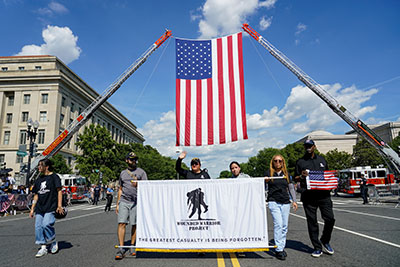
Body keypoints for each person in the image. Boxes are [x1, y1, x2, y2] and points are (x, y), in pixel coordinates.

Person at [295, 139, 335, 258]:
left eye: (310, 146)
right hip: (308, 196)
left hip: (324, 195)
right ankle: (317, 247)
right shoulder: (300, 162)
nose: (308, 148)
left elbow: (327, 174)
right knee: (312, 222)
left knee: (330, 219)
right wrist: (301, 176)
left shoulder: (322, 160)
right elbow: (295, 178)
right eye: (306, 146)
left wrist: (333, 177)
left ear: (314, 147)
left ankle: (325, 240)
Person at [115, 152, 147, 260]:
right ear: (127, 160)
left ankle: (132, 245)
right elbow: (120, 189)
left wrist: (138, 184)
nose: (134, 161)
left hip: (136, 202)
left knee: (134, 224)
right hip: (124, 200)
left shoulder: (141, 172)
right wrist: (117, 204)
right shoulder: (123, 173)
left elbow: (147, 187)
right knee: (121, 223)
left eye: (135, 159)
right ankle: (121, 247)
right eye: (131, 159)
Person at [265, 155, 298, 260]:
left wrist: (294, 200)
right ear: (272, 162)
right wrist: (265, 181)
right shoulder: (269, 173)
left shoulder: (286, 174)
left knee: (284, 226)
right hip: (273, 201)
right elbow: (262, 186)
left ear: (283, 162)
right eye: (275, 161)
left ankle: (281, 247)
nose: (278, 162)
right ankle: (278, 249)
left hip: (285, 202)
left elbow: (291, 187)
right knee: (278, 224)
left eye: (280, 161)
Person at [29, 159, 63, 258]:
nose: (39, 167)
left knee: (46, 224)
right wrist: (32, 209)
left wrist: (59, 206)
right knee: (38, 227)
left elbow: (59, 191)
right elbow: (36, 195)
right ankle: (43, 247)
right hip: (40, 207)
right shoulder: (39, 179)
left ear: (46, 166)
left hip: (51, 205)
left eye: (40, 165)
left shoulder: (54, 177)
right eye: (38, 165)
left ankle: (52, 241)